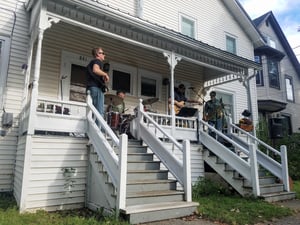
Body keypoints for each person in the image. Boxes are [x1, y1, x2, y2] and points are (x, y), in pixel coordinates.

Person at [86, 47, 109, 117]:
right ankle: (99, 128)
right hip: (96, 88)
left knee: (93, 110)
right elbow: (95, 70)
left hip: (91, 88)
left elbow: (94, 73)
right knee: (99, 111)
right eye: (103, 53)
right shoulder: (97, 61)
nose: (104, 55)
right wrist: (105, 74)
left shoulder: (91, 63)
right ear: (98, 54)